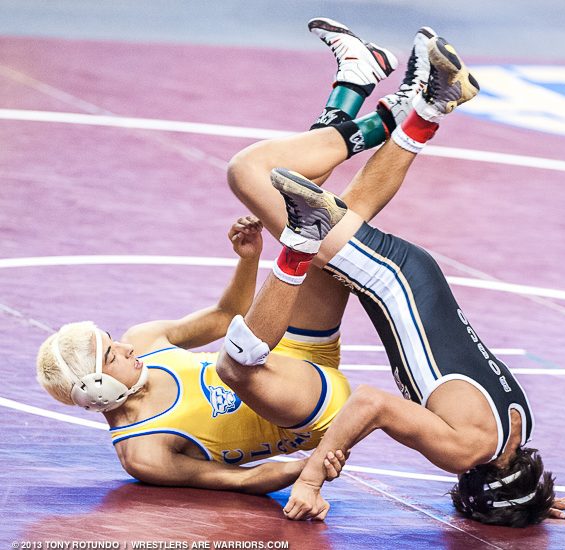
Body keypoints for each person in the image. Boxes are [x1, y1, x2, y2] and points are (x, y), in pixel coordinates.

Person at [221, 24, 565, 526]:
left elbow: (510, 476)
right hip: (386, 280)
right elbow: (371, 403)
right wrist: (311, 477)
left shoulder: (518, 426)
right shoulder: (466, 452)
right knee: (247, 172)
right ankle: (399, 109)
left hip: (415, 276)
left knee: (349, 205)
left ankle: (422, 105)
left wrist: (537, 503)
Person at [34, 17, 403, 494]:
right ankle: (392, 105)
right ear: (96, 389)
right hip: (302, 407)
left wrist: (248, 258)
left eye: (111, 340)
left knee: (315, 216)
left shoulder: (144, 340)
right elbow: (243, 481)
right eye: (111, 355)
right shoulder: (145, 452)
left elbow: (226, 316)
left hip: (283, 350)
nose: (124, 346)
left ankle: (381, 95)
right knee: (312, 221)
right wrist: (312, 469)